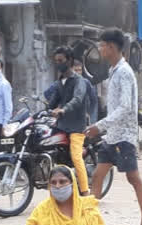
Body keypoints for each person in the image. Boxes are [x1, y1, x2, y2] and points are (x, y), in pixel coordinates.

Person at [86, 28, 142, 225]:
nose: (100, 49)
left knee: (133, 178)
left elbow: (125, 107)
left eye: (102, 45)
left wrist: (100, 125)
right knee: (97, 176)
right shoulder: (113, 70)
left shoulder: (124, 72)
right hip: (112, 135)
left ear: (112, 47)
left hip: (124, 135)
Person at [48, 47, 90, 195]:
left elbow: (78, 99)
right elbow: (53, 102)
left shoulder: (79, 81)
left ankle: (85, 192)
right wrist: (45, 109)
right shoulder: (60, 82)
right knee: (46, 146)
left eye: (61, 61)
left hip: (76, 127)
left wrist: (63, 110)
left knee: (76, 157)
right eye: (56, 61)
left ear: (69, 60)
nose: (58, 64)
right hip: (61, 125)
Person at [73, 58, 99, 124]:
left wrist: (90, 114)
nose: (78, 73)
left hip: (83, 118)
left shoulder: (86, 83)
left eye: (80, 70)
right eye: (76, 70)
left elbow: (94, 100)